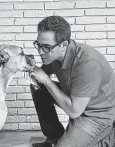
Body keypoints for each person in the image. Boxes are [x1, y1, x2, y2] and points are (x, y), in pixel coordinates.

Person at [29, 16, 115, 147]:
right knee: (37, 86)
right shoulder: (54, 56)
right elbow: (40, 75)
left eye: (46, 47)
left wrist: (46, 80)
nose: (40, 52)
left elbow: (74, 111)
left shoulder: (88, 63)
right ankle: (54, 138)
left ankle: (110, 137)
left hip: (97, 116)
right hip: (76, 101)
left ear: (63, 45)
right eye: (38, 45)